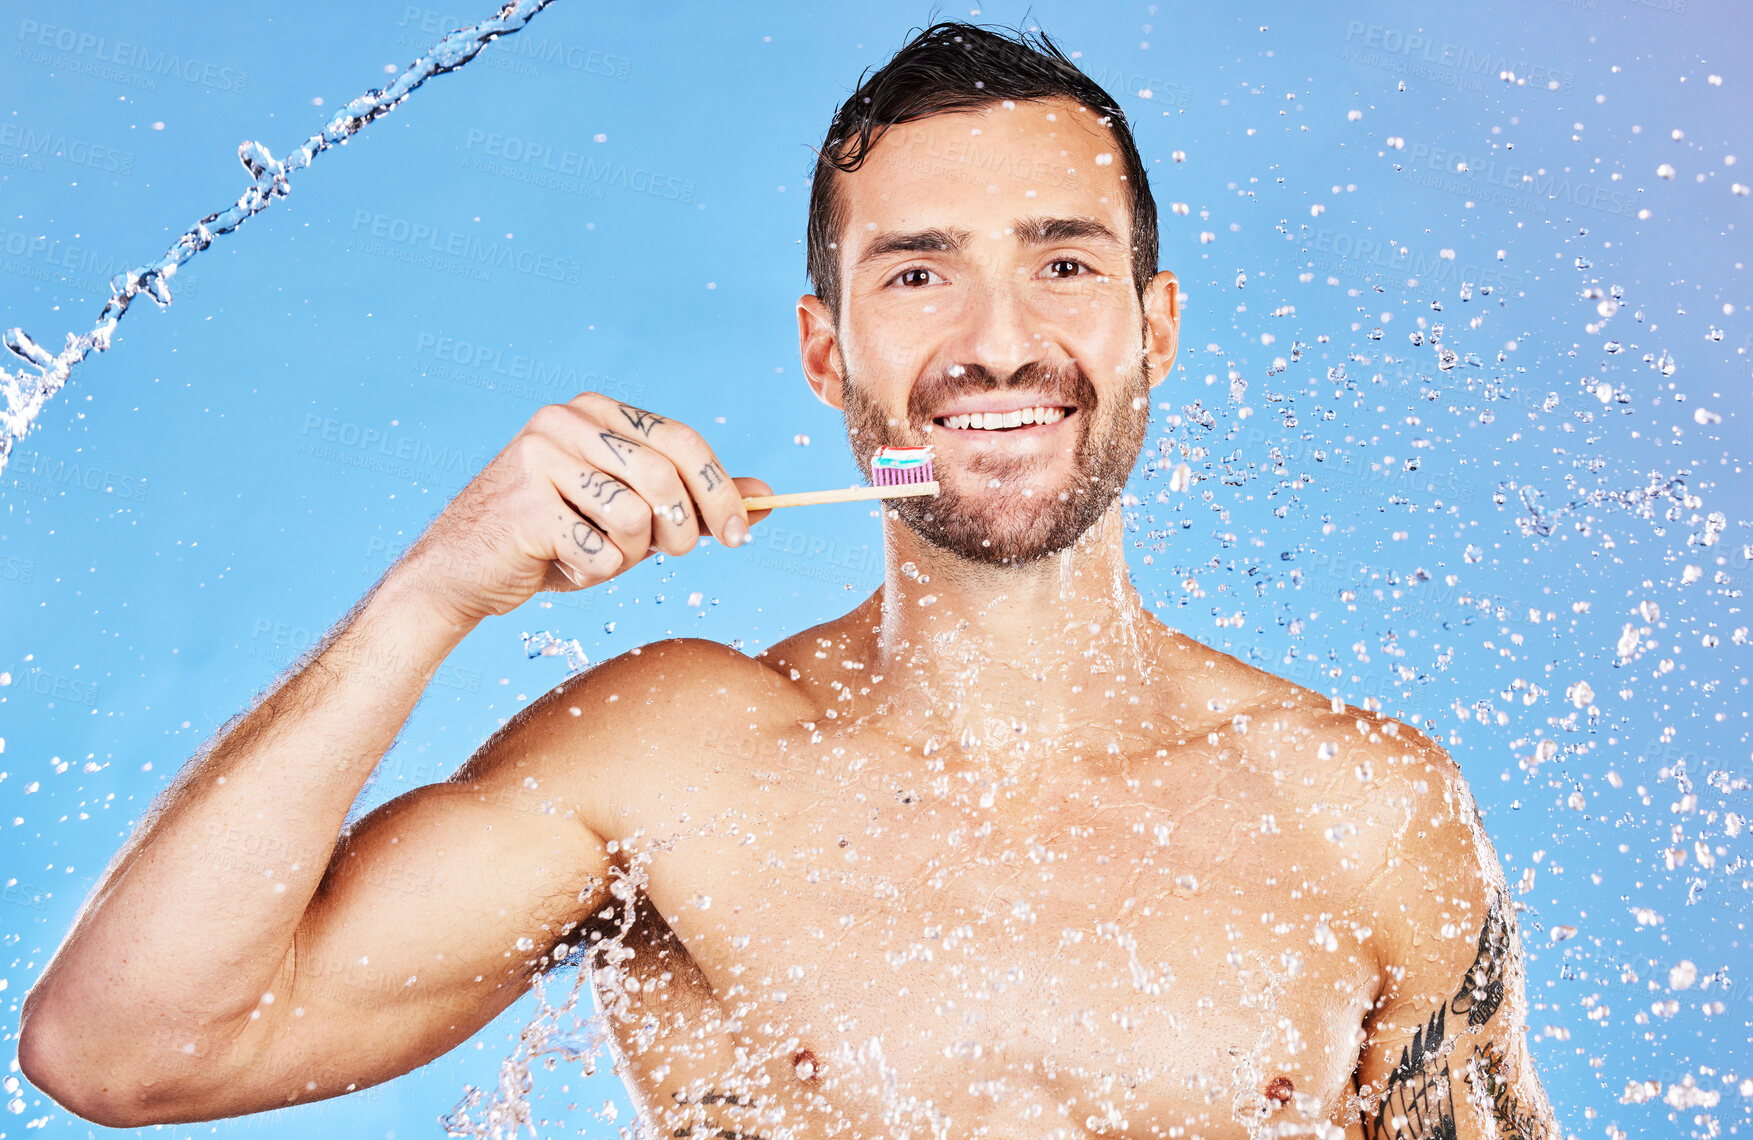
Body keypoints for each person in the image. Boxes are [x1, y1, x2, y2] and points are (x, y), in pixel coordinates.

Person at [19, 21, 1558, 1140]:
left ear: (1154, 327)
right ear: (828, 350)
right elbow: (127, 1053)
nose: (1000, 338)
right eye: (915, 269)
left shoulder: (1359, 808)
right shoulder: (673, 757)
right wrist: (435, 591)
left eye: (1063, 261)